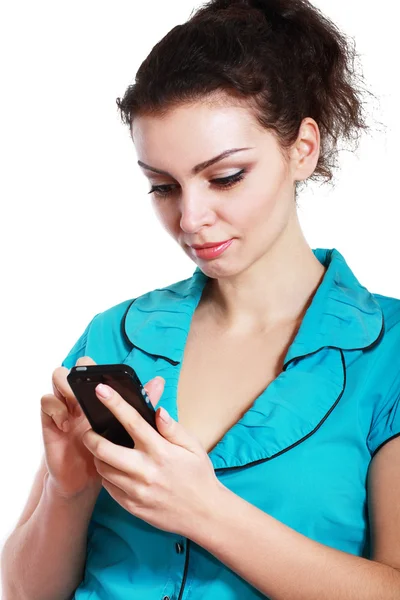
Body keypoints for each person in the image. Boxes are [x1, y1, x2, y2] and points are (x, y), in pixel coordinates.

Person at [2, 0, 400, 598]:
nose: (190, 219)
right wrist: (69, 491)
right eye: (163, 186)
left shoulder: (388, 354)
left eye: (225, 177)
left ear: (303, 149)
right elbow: (28, 592)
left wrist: (205, 510)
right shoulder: (114, 335)